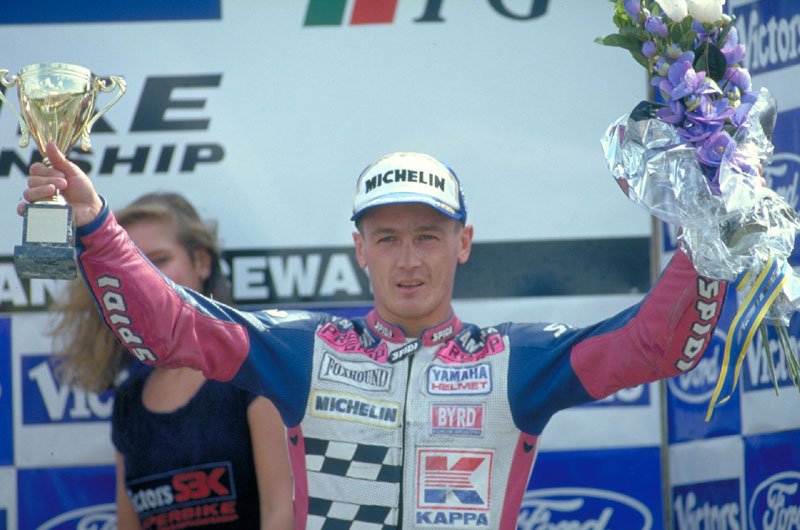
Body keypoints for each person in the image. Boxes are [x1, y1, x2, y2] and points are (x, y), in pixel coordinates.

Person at [24, 143, 726, 530]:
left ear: (464, 243)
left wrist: (708, 226)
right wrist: (92, 221)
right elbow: (171, 326)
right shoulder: (305, 351)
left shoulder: (517, 361)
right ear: (359, 249)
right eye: (387, 238)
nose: (408, 259)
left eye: (428, 236)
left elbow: (654, 343)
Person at [47, 191, 294, 530]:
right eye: (132, 266)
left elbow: (282, 513)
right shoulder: (129, 399)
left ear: (202, 262)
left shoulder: (253, 371)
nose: (145, 278)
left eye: (159, 260)